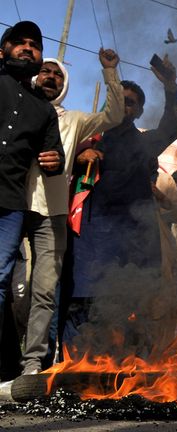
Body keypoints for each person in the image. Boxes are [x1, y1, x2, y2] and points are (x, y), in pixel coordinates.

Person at [60, 55, 177, 350]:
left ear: (138, 111)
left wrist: (170, 86)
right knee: (83, 309)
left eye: (131, 103)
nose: (125, 105)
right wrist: (77, 158)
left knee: (138, 307)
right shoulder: (87, 137)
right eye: (121, 99)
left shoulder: (143, 143)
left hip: (136, 239)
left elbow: (172, 128)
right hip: (92, 237)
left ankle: (131, 378)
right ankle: (74, 374)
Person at [15, 48, 124, 377]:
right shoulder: (19, 110)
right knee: (13, 289)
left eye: (57, 74)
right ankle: (9, 355)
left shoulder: (74, 119)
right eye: (46, 71)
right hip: (12, 207)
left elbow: (115, 114)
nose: (50, 77)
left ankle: (33, 365)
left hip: (53, 213)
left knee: (44, 291)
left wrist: (110, 72)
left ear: (65, 84)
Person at [0, 20, 63, 381]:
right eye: (19, 42)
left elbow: (53, 160)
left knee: (0, 281)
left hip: (10, 203)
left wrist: (55, 161)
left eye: (34, 45)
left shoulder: (45, 111)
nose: (28, 48)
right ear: (3, 49)